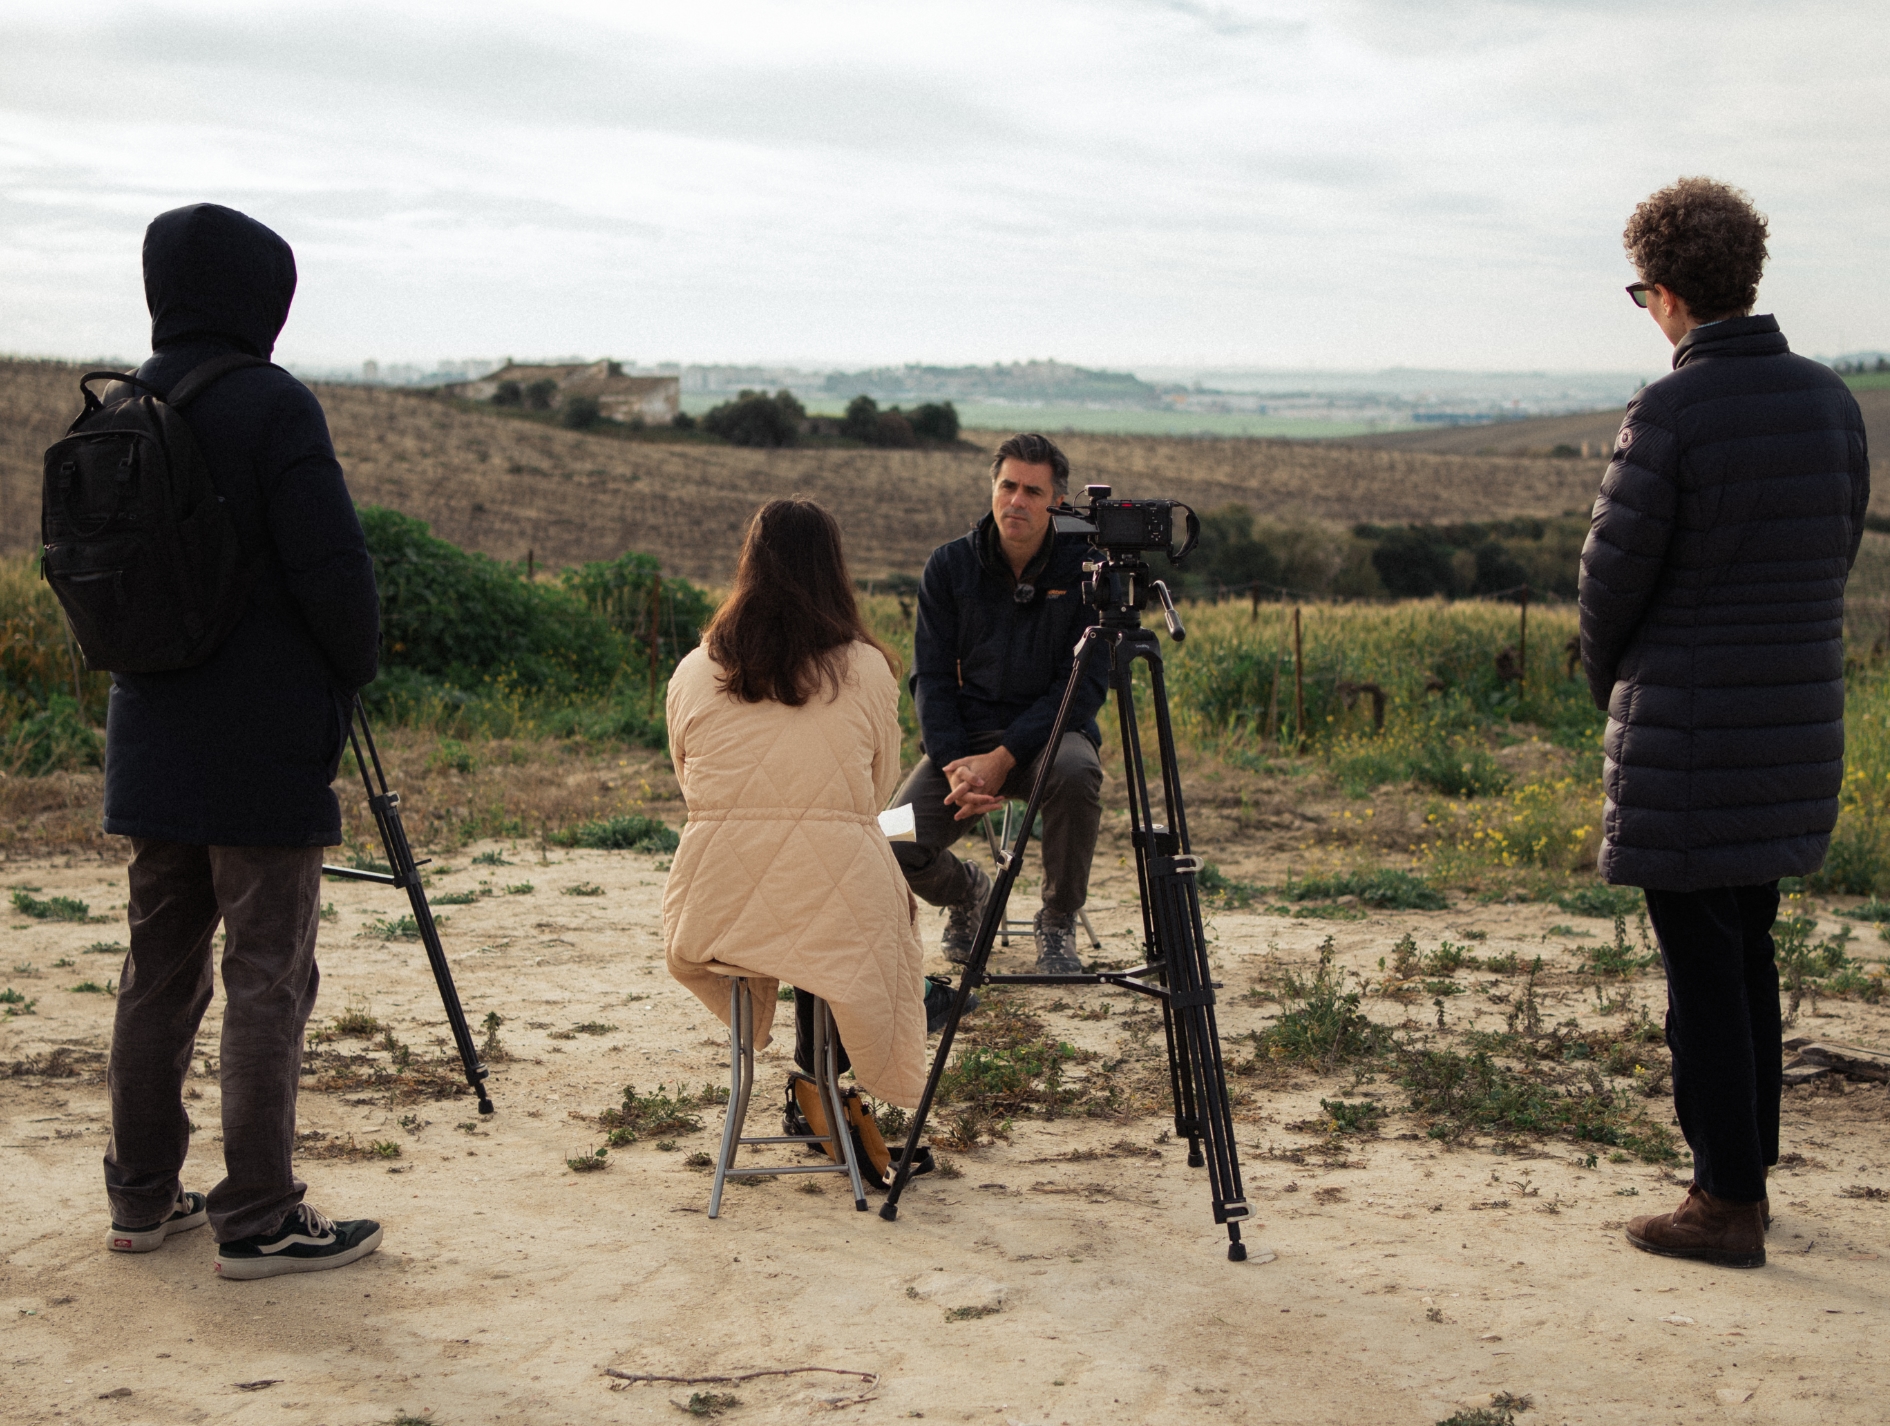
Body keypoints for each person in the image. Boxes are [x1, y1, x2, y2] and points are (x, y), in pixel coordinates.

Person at [1581, 178, 1869, 1268]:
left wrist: (1617, 683)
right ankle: (1750, 1169)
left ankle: (1725, 1202)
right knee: (1747, 948)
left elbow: (1610, 582)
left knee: (1701, 972)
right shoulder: (1831, 402)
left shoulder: (1671, 410)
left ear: (1666, 293)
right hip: (1794, 720)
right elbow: (1836, 550)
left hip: (1691, 734)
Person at [100, 204, 385, 1279]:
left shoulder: (123, 405)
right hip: (262, 749)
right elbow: (336, 575)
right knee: (268, 975)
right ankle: (260, 1215)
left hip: (148, 735)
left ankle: (140, 1200)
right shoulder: (273, 404)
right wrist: (350, 669)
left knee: (157, 975)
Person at [664, 499, 932, 1108]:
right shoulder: (868, 668)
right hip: (838, 902)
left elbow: (690, 780)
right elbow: (879, 788)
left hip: (715, 904)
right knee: (845, 908)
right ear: (833, 569)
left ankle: (807, 1085)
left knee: (815, 905)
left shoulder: (694, 669)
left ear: (749, 564)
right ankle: (825, 1083)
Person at [891, 433, 1109, 974]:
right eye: (1008, 486)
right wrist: (954, 763)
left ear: (1057, 502)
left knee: (1078, 772)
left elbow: (1081, 687)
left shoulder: (1088, 571)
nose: (1017, 501)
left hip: (1052, 738)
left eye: (1033, 492)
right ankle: (968, 892)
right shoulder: (949, 566)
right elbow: (930, 677)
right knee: (888, 839)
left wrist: (1004, 758)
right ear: (992, 488)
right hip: (965, 744)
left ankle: (1057, 920)